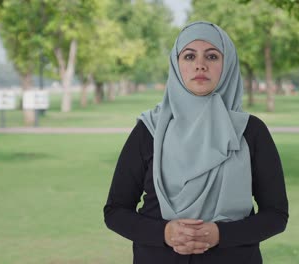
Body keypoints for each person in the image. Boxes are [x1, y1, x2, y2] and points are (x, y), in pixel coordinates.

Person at [103, 21, 288, 264]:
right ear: (176, 65)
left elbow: (276, 215)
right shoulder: (149, 130)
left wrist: (220, 234)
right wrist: (165, 233)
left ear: (227, 64)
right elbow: (115, 211)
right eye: (189, 56)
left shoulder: (250, 132)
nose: (200, 64)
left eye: (212, 56)